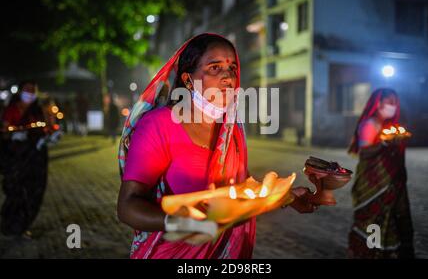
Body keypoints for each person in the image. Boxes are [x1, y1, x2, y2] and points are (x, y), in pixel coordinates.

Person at [117, 33, 319, 259]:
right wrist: (181, 222)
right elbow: (128, 206)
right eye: (214, 68)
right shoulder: (160, 125)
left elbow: (238, 189)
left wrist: (287, 197)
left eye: (232, 67)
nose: (227, 77)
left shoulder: (230, 128)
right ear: (188, 79)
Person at [347, 88, 415, 258]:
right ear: (378, 103)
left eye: (395, 103)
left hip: (393, 183)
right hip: (373, 184)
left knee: (397, 218)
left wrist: (396, 142)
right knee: (374, 219)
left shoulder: (390, 127)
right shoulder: (369, 125)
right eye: (390, 102)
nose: (393, 106)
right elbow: (365, 152)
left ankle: (392, 252)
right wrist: (384, 144)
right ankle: (370, 253)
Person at [0, 81, 49, 238]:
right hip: (14, 158)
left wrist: (48, 137)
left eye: (33, 90)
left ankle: (22, 227)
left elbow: (45, 129)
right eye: (27, 90)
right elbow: (4, 131)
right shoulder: (11, 109)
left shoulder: (37, 111)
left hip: (34, 159)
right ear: (20, 91)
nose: (30, 93)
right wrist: (13, 135)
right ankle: (9, 225)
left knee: (31, 193)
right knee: (15, 192)